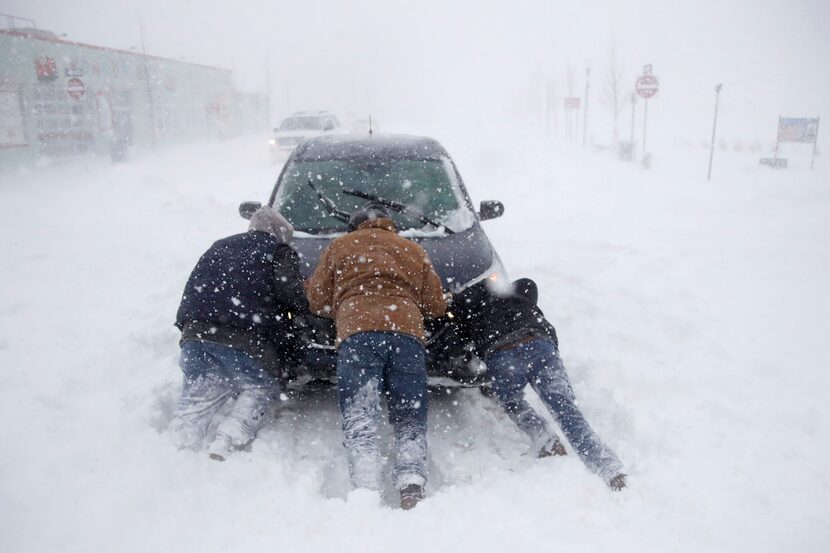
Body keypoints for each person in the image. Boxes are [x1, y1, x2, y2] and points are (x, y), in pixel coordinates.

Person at [305, 202, 447, 509]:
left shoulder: (339, 247)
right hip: (406, 332)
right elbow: (436, 305)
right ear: (389, 224)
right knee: (409, 413)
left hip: (357, 333)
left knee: (360, 414)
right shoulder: (411, 248)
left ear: (356, 225)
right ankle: (411, 482)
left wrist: (344, 305)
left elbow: (316, 300)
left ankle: (366, 486)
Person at [452, 278, 627, 491]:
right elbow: (529, 285)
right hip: (538, 344)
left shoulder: (465, 303)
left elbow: (457, 339)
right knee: (566, 410)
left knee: (512, 401)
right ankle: (610, 469)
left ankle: (545, 439)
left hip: (501, 352)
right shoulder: (516, 290)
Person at [169, 206, 308, 461]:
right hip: (244, 338)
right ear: (280, 234)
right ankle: (226, 442)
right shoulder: (279, 251)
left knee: (198, 396)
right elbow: (292, 295)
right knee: (260, 387)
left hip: (196, 334)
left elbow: (192, 289)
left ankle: (177, 452)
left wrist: (189, 329)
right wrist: (299, 312)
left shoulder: (219, 246)